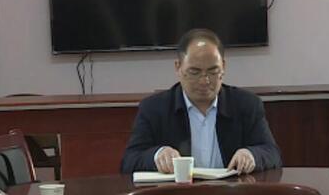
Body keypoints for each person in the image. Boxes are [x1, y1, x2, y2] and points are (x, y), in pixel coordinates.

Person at [120, 28, 282, 174]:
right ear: (178, 68)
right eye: (194, 72)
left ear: (223, 67)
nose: (204, 81)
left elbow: (272, 153)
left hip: (231, 192)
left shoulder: (246, 105)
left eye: (213, 71)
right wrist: (157, 155)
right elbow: (129, 161)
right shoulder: (154, 108)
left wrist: (252, 155)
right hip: (177, 194)